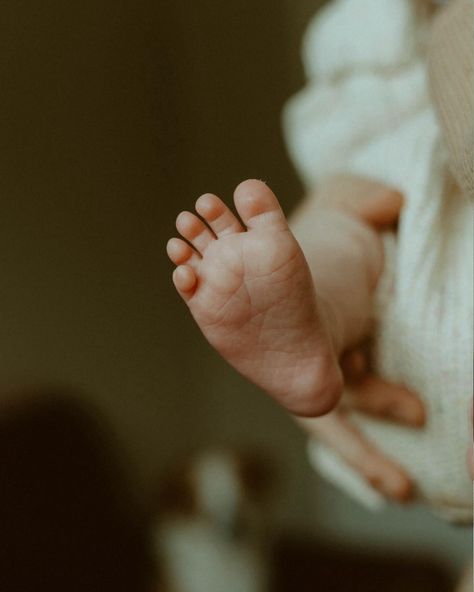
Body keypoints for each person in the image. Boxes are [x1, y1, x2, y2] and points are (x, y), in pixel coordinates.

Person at [166, 0, 472, 521]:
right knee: (344, 234)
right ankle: (315, 318)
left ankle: (318, 314)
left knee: (345, 238)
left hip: (410, 381)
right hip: (401, 330)